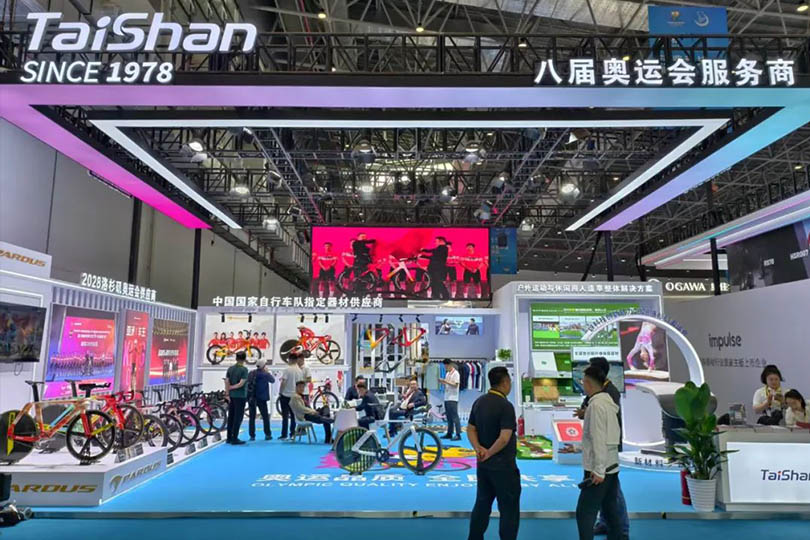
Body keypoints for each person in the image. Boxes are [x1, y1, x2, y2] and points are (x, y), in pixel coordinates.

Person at [574, 358, 628, 539]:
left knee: (584, 512)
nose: (582, 385)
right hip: (611, 465)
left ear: (589, 384)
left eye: (583, 382)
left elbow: (598, 438)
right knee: (610, 510)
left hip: (599, 469)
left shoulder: (596, 406)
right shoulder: (607, 402)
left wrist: (597, 470)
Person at [467, 366, 519, 540]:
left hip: (483, 465)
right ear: (505, 382)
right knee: (509, 509)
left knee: (482, 504)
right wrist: (489, 452)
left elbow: (470, 429)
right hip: (504, 466)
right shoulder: (506, 406)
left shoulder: (479, 402)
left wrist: (478, 449)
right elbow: (504, 438)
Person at [224, 351, 249, 445]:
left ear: (236, 358)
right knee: (238, 418)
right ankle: (235, 438)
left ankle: (229, 437)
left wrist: (227, 392)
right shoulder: (244, 370)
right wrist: (232, 387)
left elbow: (227, 381)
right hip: (240, 396)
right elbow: (241, 384)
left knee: (231, 416)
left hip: (231, 396)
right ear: (244, 359)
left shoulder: (230, 369)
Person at [247, 359, 275, 441]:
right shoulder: (265, 374)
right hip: (262, 398)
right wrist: (267, 372)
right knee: (265, 417)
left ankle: (252, 435)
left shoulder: (251, 373)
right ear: (264, 366)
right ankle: (267, 434)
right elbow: (272, 380)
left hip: (252, 397)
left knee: (252, 417)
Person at [278, 353, 303, 440]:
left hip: (286, 395)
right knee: (293, 416)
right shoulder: (299, 371)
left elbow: (283, 382)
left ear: (290, 359)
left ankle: (284, 434)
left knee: (285, 416)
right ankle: (292, 433)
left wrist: (280, 392)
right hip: (295, 396)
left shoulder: (287, 369)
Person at [439, 359, 461, 440]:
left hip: (453, 398)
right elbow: (448, 384)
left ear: (451, 365)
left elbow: (455, 385)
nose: (445, 368)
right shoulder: (447, 373)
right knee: (449, 417)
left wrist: (445, 381)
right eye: (445, 366)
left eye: (446, 366)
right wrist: (442, 382)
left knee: (455, 416)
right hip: (447, 397)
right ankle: (449, 433)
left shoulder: (456, 373)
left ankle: (458, 434)